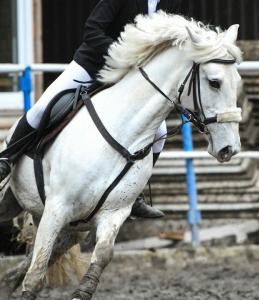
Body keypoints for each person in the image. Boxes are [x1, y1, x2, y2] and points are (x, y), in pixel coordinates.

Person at [0, 0, 181, 218]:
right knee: (42, 108)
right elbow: (92, 30)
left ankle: (134, 192)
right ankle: (6, 159)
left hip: (128, 77)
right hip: (91, 65)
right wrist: (123, 53)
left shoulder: (172, 1)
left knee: (159, 133)